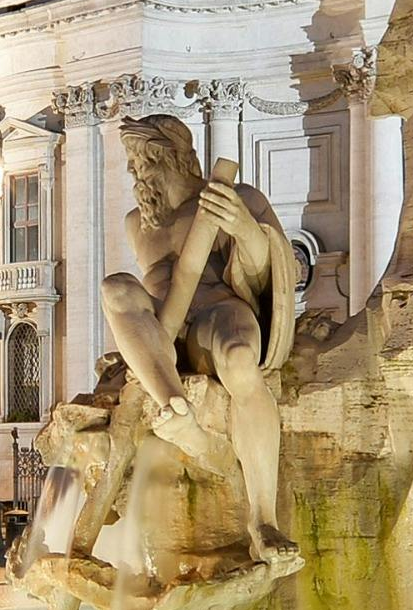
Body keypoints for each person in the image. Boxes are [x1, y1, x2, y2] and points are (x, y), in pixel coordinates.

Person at [97, 113, 300, 557]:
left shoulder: (233, 197)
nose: (136, 172)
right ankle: (176, 411)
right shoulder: (139, 223)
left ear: (178, 157)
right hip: (163, 329)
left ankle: (263, 519)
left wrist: (245, 228)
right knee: (115, 287)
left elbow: (281, 269)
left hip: (217, 313)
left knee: (241, 358)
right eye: (132, 163)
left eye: (146, 161)